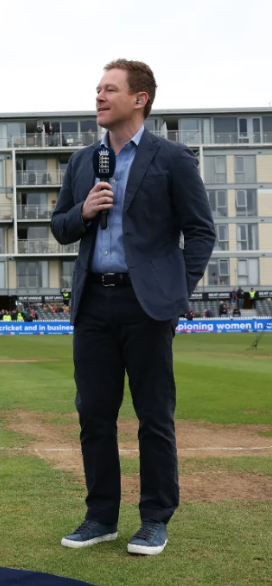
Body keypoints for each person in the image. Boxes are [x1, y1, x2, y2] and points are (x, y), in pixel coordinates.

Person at [50, 60, 214, 557]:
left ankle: (155, 519)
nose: (99, 96)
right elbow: (59, 227)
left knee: (153, 417)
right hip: (94, 301)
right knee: (94, 415)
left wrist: (174, 291)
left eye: (110, 89)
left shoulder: (172, 158)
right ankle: (100, 516)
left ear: (139, 98)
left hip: (148, 306)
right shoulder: (83, 163)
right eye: (97, 89)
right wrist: (84, 211)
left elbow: (201, 231)